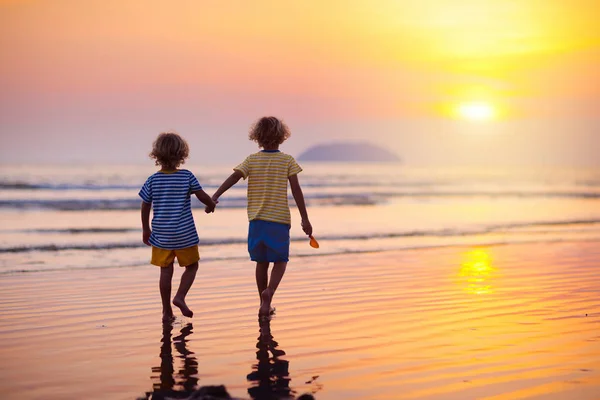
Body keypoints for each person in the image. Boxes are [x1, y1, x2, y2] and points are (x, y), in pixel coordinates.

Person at [209, 116, 312, 316]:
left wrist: (215, 196)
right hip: (279, 220)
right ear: (282, 136)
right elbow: (297, 190)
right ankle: (269, 294)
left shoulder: (252, 160)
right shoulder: (287, 160)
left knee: (261, 263)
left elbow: (234, 177)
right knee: (281, 260)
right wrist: (305, 219)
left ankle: (262, 303)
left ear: (257, 136)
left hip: (256, 221)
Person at [139, 132, 216, 321]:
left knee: (166, 271)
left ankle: (166, 311)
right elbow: (202, 195)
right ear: (182, 154)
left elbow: (145, 205)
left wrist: (145, 229)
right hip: (184, 234)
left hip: (161, 235)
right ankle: (180, 296)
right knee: (192, 266)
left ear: (156, 155)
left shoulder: (152, 180)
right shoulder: (186, 176)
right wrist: (211, 204)